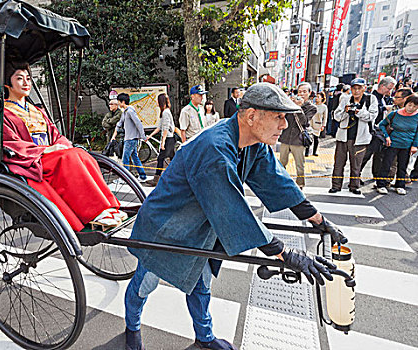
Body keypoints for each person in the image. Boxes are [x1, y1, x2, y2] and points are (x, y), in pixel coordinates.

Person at [123, 83, 347, 350]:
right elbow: (232, 209)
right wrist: (284, 252)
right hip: (168, 225)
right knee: (145, 284)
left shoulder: (253, 142)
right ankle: (132, 327)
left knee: (201, 283)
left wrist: (320, 220)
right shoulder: (215, 148)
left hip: (202, 225)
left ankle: (204, 337)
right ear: (251, 116)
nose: (284, 125)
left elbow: (278, 182)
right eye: (278, 116)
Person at [0, 60, 126, 230]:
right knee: (69, 158)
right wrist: (46, 149)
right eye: (20, 79)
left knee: (80, 153)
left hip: (51, 154)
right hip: (32, 160)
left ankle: (106, 205)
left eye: (28, 78)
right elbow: (11, 144)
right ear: (8, 84)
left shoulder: (37, 110)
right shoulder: (3, 114)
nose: (26, 83)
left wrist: (61, 145)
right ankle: (93, 212)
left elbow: (55, 134)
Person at [329, 78, 377, 195]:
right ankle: (336, 185)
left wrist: (358, 111)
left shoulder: (370, 99)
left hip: (360, 139)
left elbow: (372, 116)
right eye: (354, 88)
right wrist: (346, 111)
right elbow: (336, 116)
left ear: (364, 88)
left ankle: (354, 186)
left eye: (359, 88)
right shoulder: (345, 98)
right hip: (343, 137)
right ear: (350, 89)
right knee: (339, 163)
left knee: (356, 164)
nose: (356, 91)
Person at [376, 94, 418, 195]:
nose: (411, 108)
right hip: (392, 143)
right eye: (410, 105)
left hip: (407, 145)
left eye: (415, 106)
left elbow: (417, 133)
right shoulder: (395, 114)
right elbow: (381, 125)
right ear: (406, 103)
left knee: (403, 166)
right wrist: (387, 136)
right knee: (386, 164)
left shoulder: (416, 116)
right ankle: (381, 184)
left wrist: (415, 145)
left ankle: (400, 185)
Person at [278, 82, 317, 189]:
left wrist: (299, 108)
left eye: (304, 91)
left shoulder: (311, 108)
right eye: (300, 91)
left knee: (300, 165)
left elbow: (304, 121)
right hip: (286, 138)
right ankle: (281, 182)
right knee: (282, 163)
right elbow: (282, 117)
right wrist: (287, 104)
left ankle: (300, 184)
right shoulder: (291, 103)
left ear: (309, 93)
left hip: (298, 140)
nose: (301, 94)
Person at [359, 77, 396, 179]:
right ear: (382, 86)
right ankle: (356, 175)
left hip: (379, 131)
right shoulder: (371, 97)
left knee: (378, 155)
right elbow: (372, 113)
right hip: (371, 130)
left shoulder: (383, 98)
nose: (390, 91)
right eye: (389, 88)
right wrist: (384, 108)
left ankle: (376, 176)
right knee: (366, 155)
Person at [111, 93, 147, 182]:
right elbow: (119, 123)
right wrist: (114, 135)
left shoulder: (130, 111)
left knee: (125, 158)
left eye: (119, 102)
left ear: (123, 102)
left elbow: (138, 123)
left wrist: (143, 136)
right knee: (135, 157)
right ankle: (142, 176)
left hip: (131, 139)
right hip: (131, 138)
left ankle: (125, 179)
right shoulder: (125, 112)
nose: (118, 104)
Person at [145, 94, 179, 187]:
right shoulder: (164, 112)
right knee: (172, 158)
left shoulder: (166, 112)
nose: (156, 102)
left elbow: (165, 128)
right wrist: (150, 136)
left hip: (168, 138)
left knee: (161, 158)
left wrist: (163, 141)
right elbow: (159, 127)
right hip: (169, 138)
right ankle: (177, 176)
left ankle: (157, 179)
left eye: (157, 100)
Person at [310, 92, 328, 156]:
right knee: (309, 137)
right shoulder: (312, 105)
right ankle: (306, 152)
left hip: (318, 124)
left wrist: (323, 125)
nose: (316, 98)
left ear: (322, 98)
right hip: (311, 123)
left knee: (316, 138)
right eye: (316, 97)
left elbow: (325, 117)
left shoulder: (324, 107)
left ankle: (314, 151)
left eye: (318, 97)